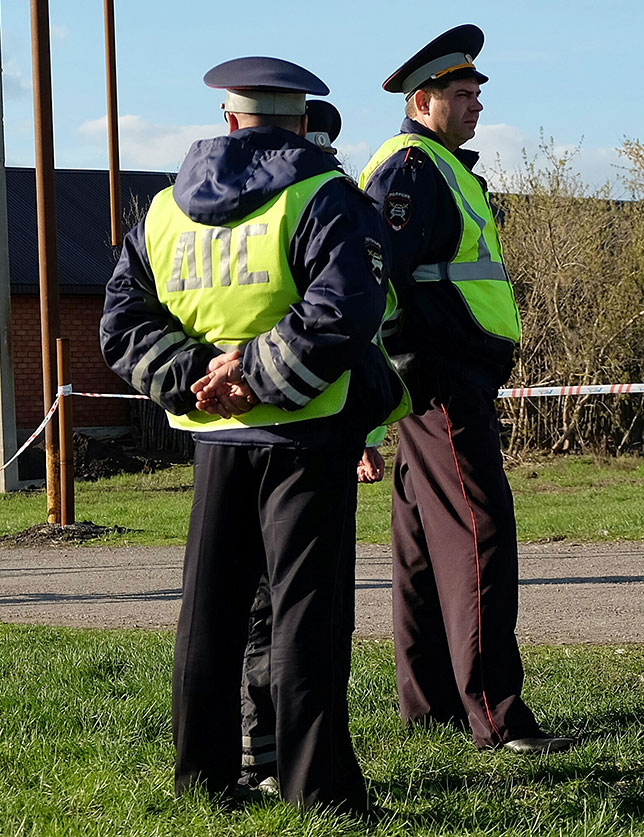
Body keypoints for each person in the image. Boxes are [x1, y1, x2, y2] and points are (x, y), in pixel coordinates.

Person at [100, 58, 404, 811]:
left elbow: (121, 324)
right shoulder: (324, 196)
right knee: (308, 615)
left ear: (229, 121)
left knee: (208, 615)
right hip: (306, 433)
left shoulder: (165, 211)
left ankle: (203, 780)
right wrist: (261, 373)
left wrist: (202, 372)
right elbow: (346, 309)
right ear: (302, 124)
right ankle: (319, 790)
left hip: (214, 438)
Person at [359, 24, 573, 754]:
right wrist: (372, 404)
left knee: (422, 550)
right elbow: (373, 282)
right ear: (423, 100)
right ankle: (497, 715)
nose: (475, 103)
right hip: (442, 381)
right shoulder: (413, 170)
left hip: (433, 385)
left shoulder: (436, 167)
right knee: (480, 537)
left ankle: (433, 710)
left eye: (479, 92)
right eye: (461, 93)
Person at [236, 97, 395, 795]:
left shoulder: (227, 209)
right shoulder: (335, 212)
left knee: (255, 601)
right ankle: (300, 759)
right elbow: (358, 334)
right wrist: (363, 428)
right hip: (311, 433)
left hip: (231, 431)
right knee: (307, 605)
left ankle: (257, 749)